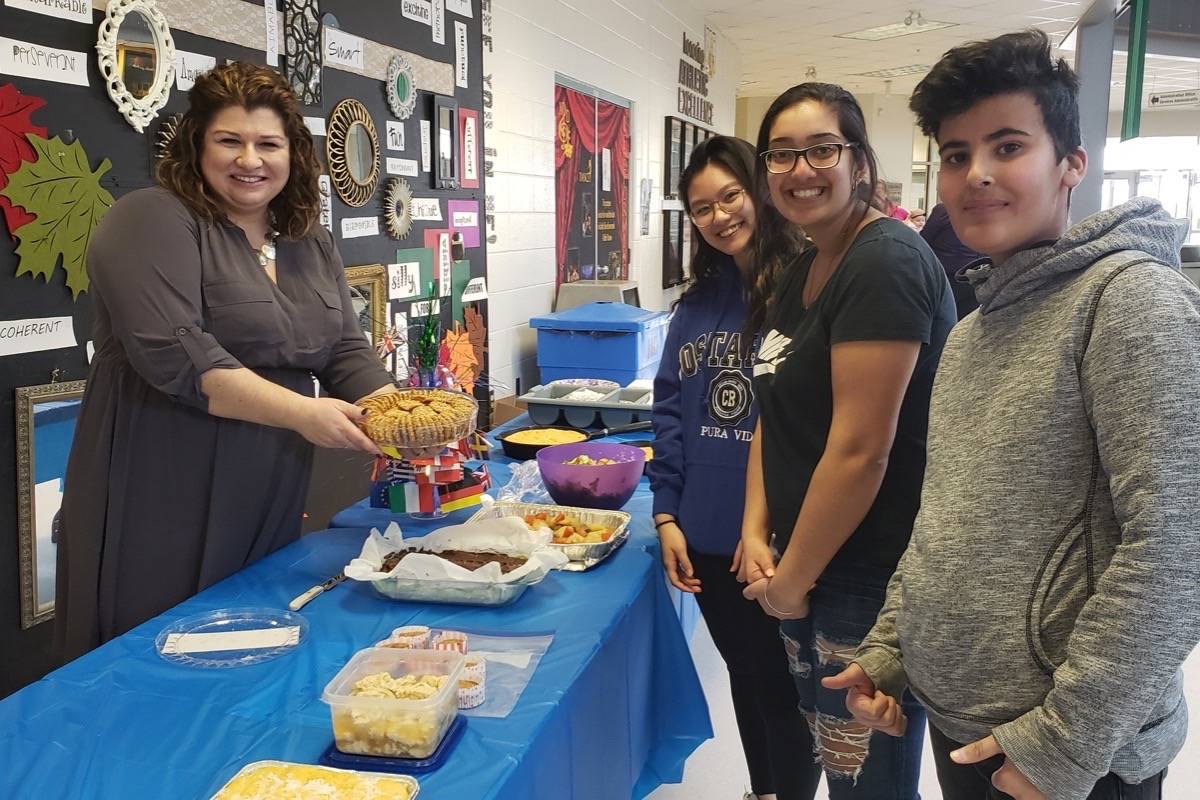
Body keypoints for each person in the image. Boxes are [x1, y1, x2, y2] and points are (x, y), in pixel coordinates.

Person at [830, 30, 1199, 800]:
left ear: (1071, 165)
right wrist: (892, 649)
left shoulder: (1128, 300)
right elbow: (947, 525)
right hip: (964, 730)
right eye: (957, 154)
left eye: (1007, 145)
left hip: (1075, 757)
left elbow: (1180, 544)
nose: (978, 176)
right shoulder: (971, 332)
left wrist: (1065, 745)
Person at [56, 62, 397, 662]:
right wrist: (306, 413)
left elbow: (343, 345)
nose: (250, 159)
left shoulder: (307, 238)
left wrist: (400, 411)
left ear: (294, 154)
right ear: (196, 144)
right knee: (161, 647)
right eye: (229, 140)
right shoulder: (150, 218)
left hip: (271, 473)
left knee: (255, 636)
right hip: (162, 474)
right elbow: (181, 356)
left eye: (268, 143)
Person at [739, 82, 956, 798]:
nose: (801, 170)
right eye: (782, 155)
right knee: (838, 760)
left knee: (868, 781)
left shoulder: (883, 261)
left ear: (859, 161)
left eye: (822, 149)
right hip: (809, 559)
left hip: (869, 569)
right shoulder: (809, 261)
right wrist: (756, 531)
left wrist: (793, 580)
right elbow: (775, 405)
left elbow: (864, 451)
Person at [650, 136, 816, 800]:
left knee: (784, 689)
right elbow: (668, 411)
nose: (718, 217)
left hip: (779, 540)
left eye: (730, 197)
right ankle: (763, 790)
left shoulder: (806, 291)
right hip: (707, 536)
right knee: (744, 678)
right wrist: (666, 513)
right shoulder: (694, 305)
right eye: (700, 208)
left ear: (758, 192)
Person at [919, 202, 983, 319]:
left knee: (942, 322)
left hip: (945, 277)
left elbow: (923, 241)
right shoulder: (990, 211)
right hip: (975, 276)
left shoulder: (945, 210)